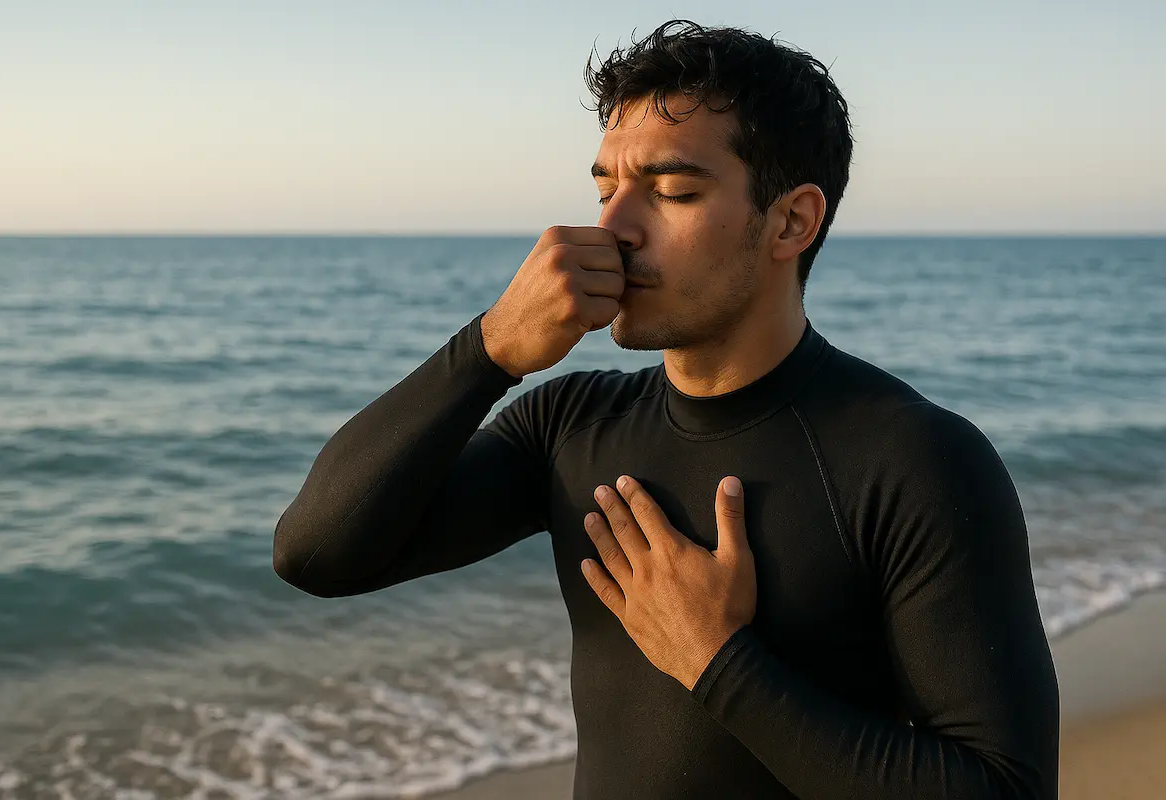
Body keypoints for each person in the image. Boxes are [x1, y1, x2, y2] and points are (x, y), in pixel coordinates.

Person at [273, 18, 1059, 799]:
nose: (611, 228)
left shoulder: (912, 458)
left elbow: (1007, 789)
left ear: (791, 221)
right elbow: (315, 554)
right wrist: (489, 351)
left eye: (672, 192)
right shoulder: (568, 426)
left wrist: (719, 663)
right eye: (605, 189)